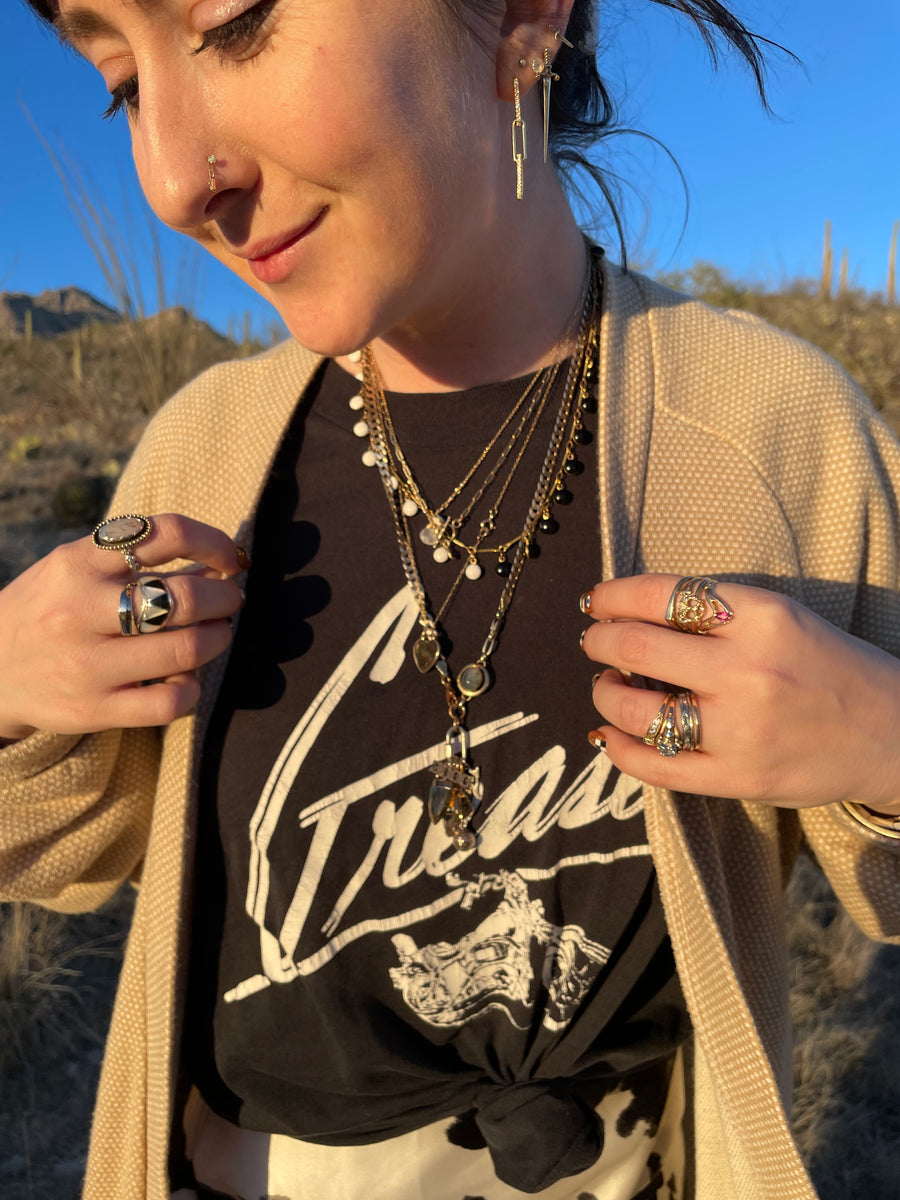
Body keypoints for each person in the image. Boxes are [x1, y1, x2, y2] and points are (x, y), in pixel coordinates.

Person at [3, 0, 900, 1197]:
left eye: (232, 22)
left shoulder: (773, 429)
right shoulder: (203, 454)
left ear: (524, 14)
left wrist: (885, 744)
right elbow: (70, 855)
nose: (169, 182)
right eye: (122, 84)